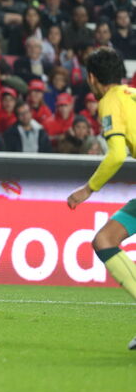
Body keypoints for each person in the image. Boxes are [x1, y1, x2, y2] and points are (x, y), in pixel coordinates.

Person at [64, 48, 136, 349]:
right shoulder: (132, 94)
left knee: (104, 242)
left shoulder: (108, 102)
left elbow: (117, 153)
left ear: (92, 78)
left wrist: (88, 189)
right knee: (104, 240)